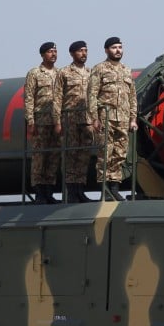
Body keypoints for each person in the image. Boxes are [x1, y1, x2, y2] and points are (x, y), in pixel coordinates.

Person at [86, 36, 137, 202]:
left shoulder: (126, 70)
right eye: (114, 47)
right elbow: (92, 94)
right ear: (107, 50)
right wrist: (94, 118)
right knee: (105, 154)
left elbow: (132, 97)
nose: (118, 50)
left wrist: (133, 119)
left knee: (119, 154)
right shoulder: (99, 69)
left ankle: (114, 188)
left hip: (122, 119)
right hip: (105, 118)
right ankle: (104, 189)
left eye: (120, 47)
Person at [54, 40, 94, 203]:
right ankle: (71, 192)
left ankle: (80, 190)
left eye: (85, 50)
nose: (83, 53)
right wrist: (57, 121)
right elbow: (56, 98)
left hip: (86, 119)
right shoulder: (64, 73)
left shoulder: (91, 73)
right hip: (69, 119)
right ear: (72, 53)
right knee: (71, 155)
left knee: (83, 155)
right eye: (80, 51)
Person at [23, 42, 60, 204]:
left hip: (56, 121)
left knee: (53, 156)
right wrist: (30, 121)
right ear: (43, 55)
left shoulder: (60, 74)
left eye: (55, 51)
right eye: (50, 52)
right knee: (40, 156)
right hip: (40, 121)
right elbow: (29, 98)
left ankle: (49, 191)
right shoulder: (35, 73)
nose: (53, 54)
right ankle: (39, 192)